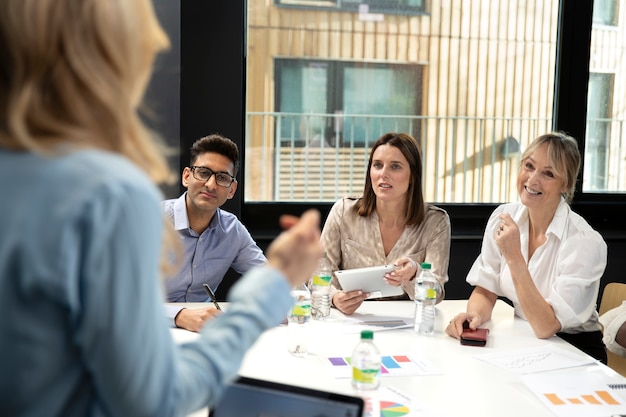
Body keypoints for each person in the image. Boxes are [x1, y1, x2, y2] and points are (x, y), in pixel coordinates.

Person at [0, 1, 323, 416]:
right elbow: (154, 400)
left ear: (232, 189)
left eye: (222, 178)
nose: (155, 41)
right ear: (105, 50)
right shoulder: (110, 194)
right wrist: (275, 285)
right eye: (140, 30)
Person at [446, 132, 608, 363]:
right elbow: (486, 289)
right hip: (526, 339)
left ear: (567, 184)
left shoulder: (584, 241)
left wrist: (514, 256)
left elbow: (546, 326)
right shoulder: (504, 217)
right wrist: (473, 317)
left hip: (575, 350)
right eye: (529, 166)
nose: (532, 180)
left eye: (548, 173)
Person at [321, 132, 451, 315]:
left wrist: (415, 274)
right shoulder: (343, 212)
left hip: (407, 323)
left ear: (412, 175)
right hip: (352, 320)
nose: (383, 174)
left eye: (395, 167)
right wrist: (334, 297)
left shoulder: (435, 222)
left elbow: (436, 295)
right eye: (377, 165)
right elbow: (318, 274)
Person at [162, 134, 266, 331]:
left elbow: (268, 279)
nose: (211, 184)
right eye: (203, 173)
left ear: (232, 189)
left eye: (222, 178)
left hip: (202, 334)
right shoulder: (151, 221)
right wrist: (179, 316)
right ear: (186, 176)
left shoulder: (232, 230)